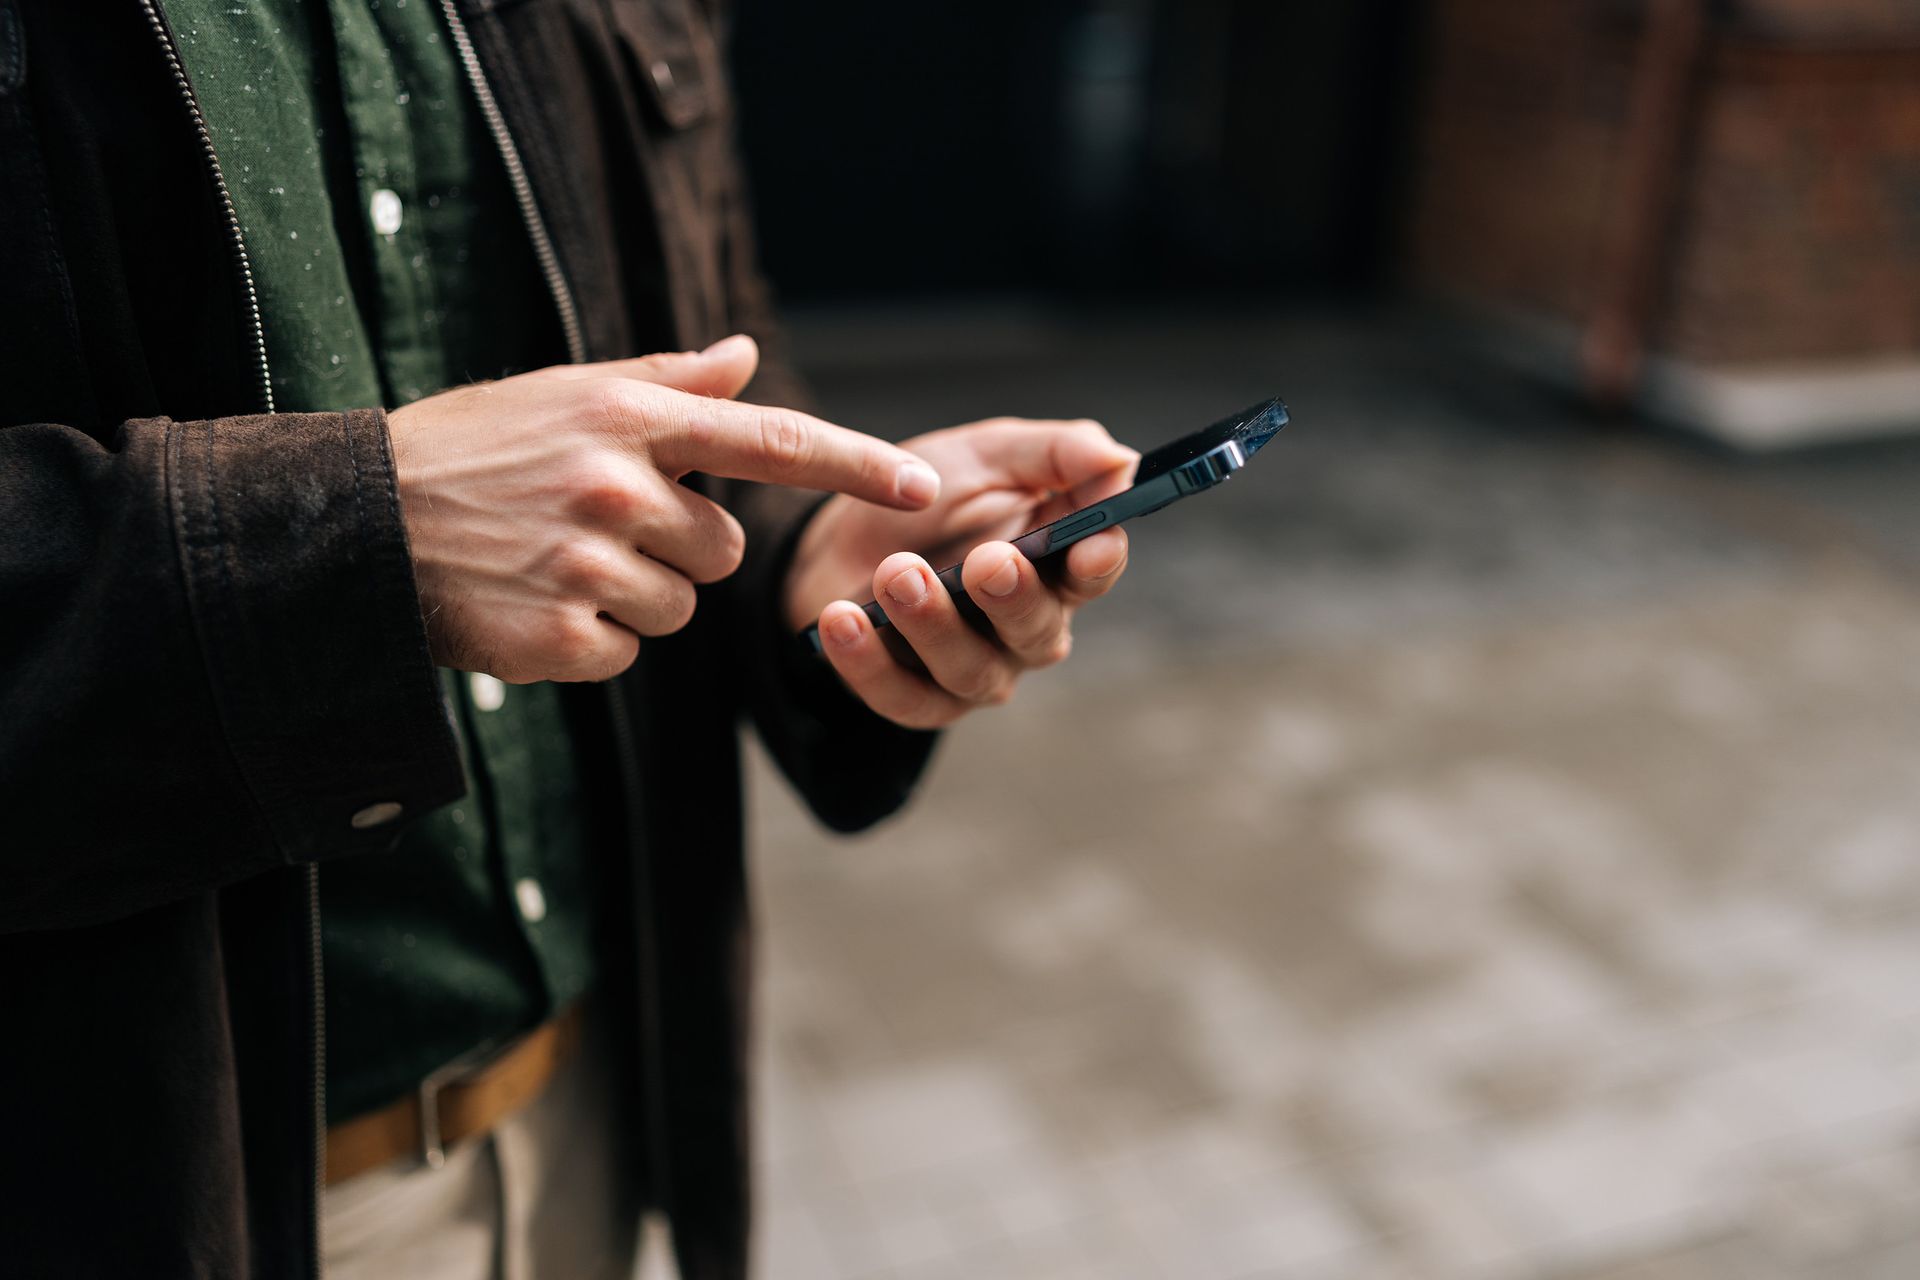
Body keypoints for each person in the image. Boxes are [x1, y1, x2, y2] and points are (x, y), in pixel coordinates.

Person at [0, 1, 1137, 1277]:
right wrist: (361, 539)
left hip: (588, 1114)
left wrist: (801, 552)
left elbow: (699, 303)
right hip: (168, 1202)